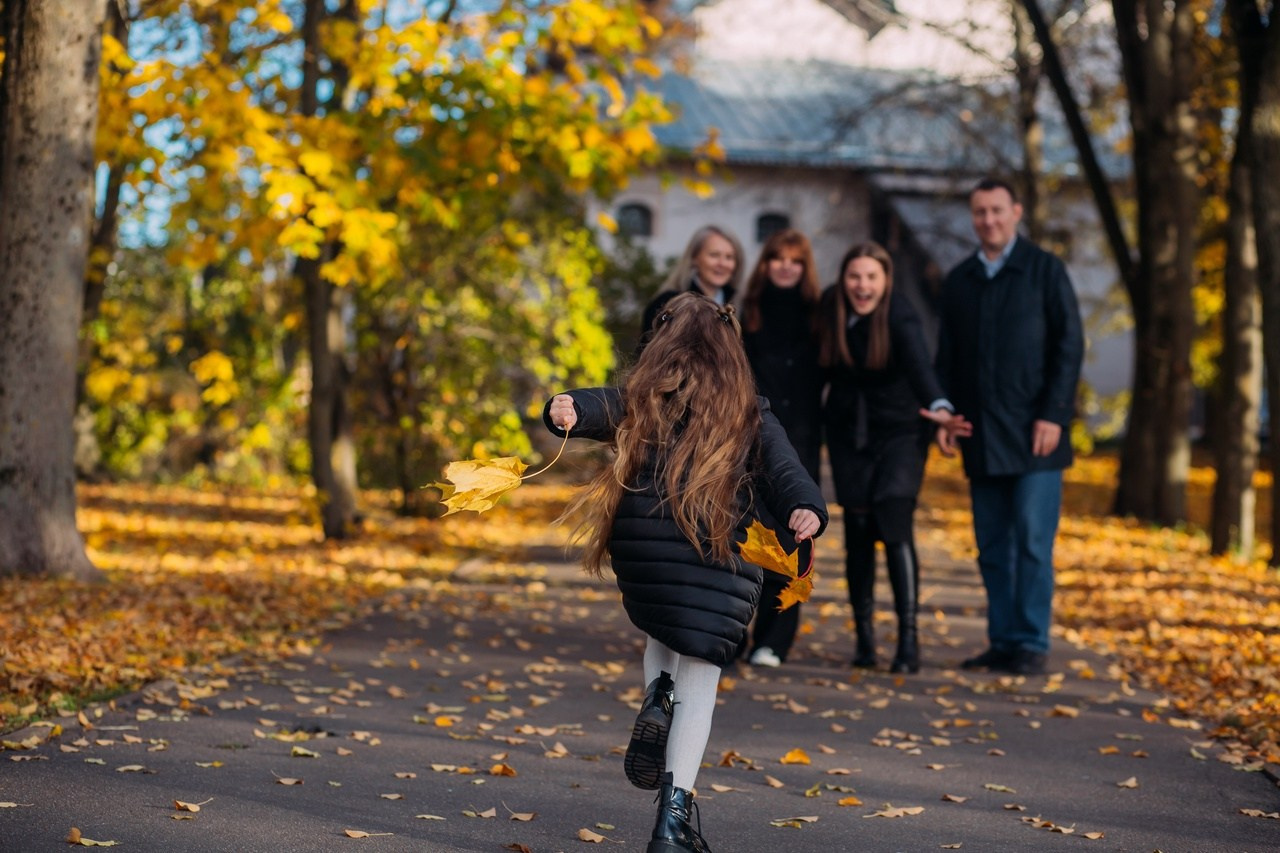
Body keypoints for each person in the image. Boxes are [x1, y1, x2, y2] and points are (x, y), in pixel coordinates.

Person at [545, 292, 827, 853]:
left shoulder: (644, 398)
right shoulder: (750, 414)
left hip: (646, 550)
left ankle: (658, 693)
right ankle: (671, 822)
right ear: (731, 351)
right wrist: (807, 508)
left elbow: (597, 405)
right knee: (702, 669)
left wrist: (565, 406)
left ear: (663, 342)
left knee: (664, 624)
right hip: (718, 551)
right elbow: (785, 469)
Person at [934, 177, 1084, 677]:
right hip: (980, 435)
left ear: (1016, 212)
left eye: (997, 210)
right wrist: (945, 415)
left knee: (1033, 543)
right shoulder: (959, 281)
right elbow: (947, 359)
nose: (989, 220)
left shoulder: (1045, 270)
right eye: (980, 212)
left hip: (1038, 435)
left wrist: (1055, 414)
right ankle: (1002, 642)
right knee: (993, 548)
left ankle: (1032, 641)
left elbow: (1069, 346)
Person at [819, 242, 971, 674]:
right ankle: (865, 641)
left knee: (893, 519)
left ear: (885, 281)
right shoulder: (831, 308)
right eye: (854, 276)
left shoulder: (899, 314)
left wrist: (940, 407)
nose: (862, 285)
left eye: (871, 277)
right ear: (844, 279)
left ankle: (908, 640)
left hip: (901, 431)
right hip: (849, 432)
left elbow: (922, 369)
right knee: (858, 529)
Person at [738, 228, 824, 669]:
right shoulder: (747, 313)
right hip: (752, 437)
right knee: (744, 532)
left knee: (794, 534)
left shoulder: (820, 315)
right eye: (778, 258)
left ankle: (774, 640)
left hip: (802, 438)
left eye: (796, 260)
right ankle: (735, 632)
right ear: (766, 263)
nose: (786, 267)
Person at [638, 225, 744, 350]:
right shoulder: (666, 304)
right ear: (694, 258)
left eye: (729, 257)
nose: (722, 263)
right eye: (714, 255)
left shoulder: (744, 306)